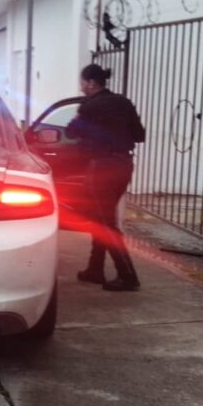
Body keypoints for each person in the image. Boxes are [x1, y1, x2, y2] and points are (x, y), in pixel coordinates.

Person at [66, 64, 145, 292]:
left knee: (106, 224)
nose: (81, 87)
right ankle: (95, 269)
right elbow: (140, 135)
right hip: (124, 165)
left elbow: (72, 131)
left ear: (91, 82)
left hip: (100, 168)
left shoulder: (90, 105)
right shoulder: (123, 102)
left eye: (82, 83)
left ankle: (128, 276)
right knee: (101, 218)